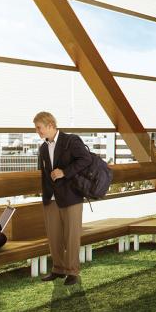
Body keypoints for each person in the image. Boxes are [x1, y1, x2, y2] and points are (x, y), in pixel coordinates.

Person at [35, 110, 91, 287]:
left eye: (39, 128)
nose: (38, 132)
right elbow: (43, 175)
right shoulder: (43, 148)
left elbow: (85, 159)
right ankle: (58, 269)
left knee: (71, 236)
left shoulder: (71, 140)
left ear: (50, 125)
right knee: (54, 236)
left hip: (71, 196)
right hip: (50, 199)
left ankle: (72, 271)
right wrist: (44, 196)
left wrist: (65, 172)